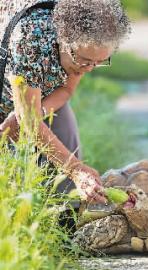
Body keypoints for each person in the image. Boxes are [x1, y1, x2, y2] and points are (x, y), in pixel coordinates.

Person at [0, 0, 131, 202]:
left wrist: (31, 115)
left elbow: (67, 89)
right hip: (7, 83)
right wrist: (76, 170)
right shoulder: (29, 37)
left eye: (98, 62)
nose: (89, 69)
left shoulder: (86, 37)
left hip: (40, 95)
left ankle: (66, 217)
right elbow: (30, 123)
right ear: (63, 41)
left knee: (67, 144)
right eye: (85, 61)